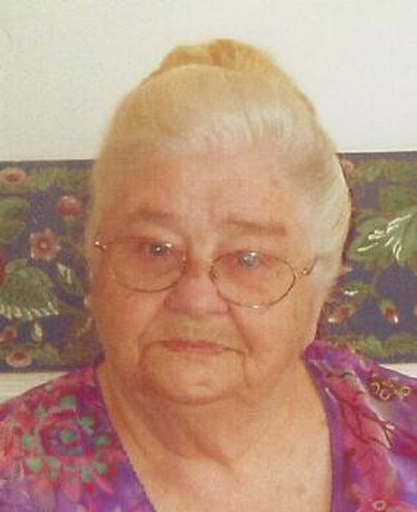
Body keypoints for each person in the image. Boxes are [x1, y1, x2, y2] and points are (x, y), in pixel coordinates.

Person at [1, 39, 417, 512]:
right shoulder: (13, 474)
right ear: (95, 269)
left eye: (249, 258)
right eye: (155, 249)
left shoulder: (404, 439)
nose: (196, 298)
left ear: (318, 291)